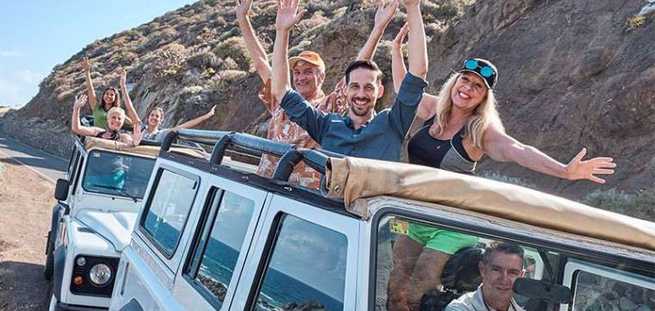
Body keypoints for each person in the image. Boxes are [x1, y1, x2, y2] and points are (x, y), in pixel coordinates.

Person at [236, 0, 400, 187]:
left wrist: (378, 29)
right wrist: (243, 18)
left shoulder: (328, 109)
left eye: (308, 72)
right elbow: (260, 62)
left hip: (300, 200)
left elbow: (359, 66)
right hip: (265, 190)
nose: (301, 77)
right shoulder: (280, 102)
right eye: (297, 72)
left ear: (322, 76)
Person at [270, 0, 428, 162]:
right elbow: (281, 91)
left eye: (368, 87)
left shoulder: (392, 123)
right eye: (354, 86)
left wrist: (413, 7)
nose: (361, 94)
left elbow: (418, 73)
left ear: (380, 91)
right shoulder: (327, 125)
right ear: (345, 90)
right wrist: (282, 32)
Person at [117, 68, 217, 142]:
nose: (154, 118)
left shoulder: (163, 134)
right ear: (148, 117)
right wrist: (123, 85)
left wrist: (207, 116)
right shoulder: (141, 128)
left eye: (157, 116)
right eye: (152, 115)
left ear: (161, 120)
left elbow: (185, 125)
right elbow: (130, 108)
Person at [445, 242, 526, 311]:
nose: (504, 279)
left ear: (521, 276)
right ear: (483, 270)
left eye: (512, 272)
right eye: (496, 270)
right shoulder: (459, 308)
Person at [82, 57, 139, 129]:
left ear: (115, 98)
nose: (109, 96)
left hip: (111, 139)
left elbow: (132, 123)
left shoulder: (118, 112)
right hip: (97, 136)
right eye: (107, 94)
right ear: (103, 96)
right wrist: (87, 71)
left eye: (112, 95)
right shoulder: (96, 108)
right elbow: (90, 89)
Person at [71, 94, 141, 147]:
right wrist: (76, 109)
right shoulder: (97, 132)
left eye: (119, 119)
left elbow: (132, 143)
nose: (116, 120)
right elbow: (76, 129)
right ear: (108, 119)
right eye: (113, 117)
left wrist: (135, 142)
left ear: (122, 122)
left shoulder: (123, 137)